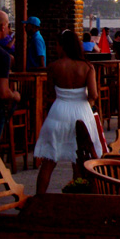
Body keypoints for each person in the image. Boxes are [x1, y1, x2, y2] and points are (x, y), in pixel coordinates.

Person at [34, 30, 103, 194]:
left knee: (49, 160)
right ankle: (76, 198)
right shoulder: (87, 66)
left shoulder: (54, 66)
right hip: (81, 112)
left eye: (57, 45)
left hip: (59, 111)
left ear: (62, 46)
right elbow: (94, 94)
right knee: (79, 159)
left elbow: (50, 94)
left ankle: (39, 199)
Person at [0, 10, 21, 151]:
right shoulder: (2, 56)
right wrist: (15, 95)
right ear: (1, 27)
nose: (9, 29)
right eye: (8, 26)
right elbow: (2, 92)